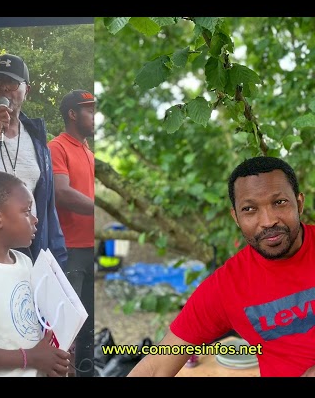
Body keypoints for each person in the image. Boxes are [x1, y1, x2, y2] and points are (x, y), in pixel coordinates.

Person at [128, 156, 315, 377]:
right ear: (236, 217)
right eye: (249, 209)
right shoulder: (227, 286)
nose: (268, 220)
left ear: (299, 203)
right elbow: (155, 367)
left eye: (279, 203)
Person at [0, 170, 71, 377]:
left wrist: (56, 351)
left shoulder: (25, 262)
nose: (35, 219)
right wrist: (31, 358)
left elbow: (35, 321)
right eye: (26, 212)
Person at [0, 53, 67, 270]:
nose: (2, 88)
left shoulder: (37, 139)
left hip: (29, 250)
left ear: (27, 90)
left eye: (11, 82)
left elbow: (47, 207)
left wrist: (58, 260)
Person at [47, 89, 96, 377]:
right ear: (72, 114)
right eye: (88, 109)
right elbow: (61, 193)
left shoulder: (88, 152)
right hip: (69, 251)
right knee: (65, 329)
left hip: (90, 249)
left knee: (88, 328)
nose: (94, 115)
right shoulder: (57, 147)